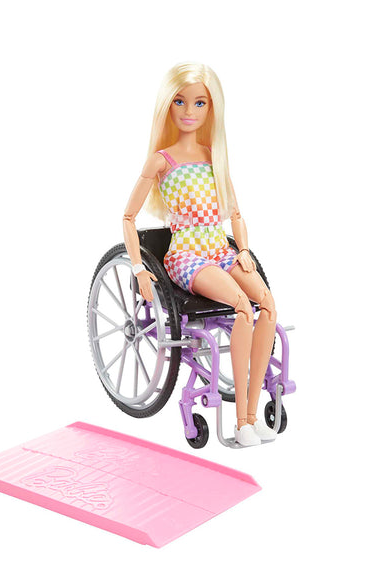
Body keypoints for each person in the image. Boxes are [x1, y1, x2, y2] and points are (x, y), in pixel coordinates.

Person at [122, 62, 277, 447]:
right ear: (167, 106)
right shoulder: (161, 160)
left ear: (211, 108)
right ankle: (242, 422)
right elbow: (127, 217)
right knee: (242, 307)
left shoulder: (213, 156)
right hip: (187, 255)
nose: (189, 112)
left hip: (220, 248)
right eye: (180, 102)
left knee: (268, 305)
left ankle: (253, 413)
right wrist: (139, 268)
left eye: (199, 103)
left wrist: (243, 249)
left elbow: (235, 213)